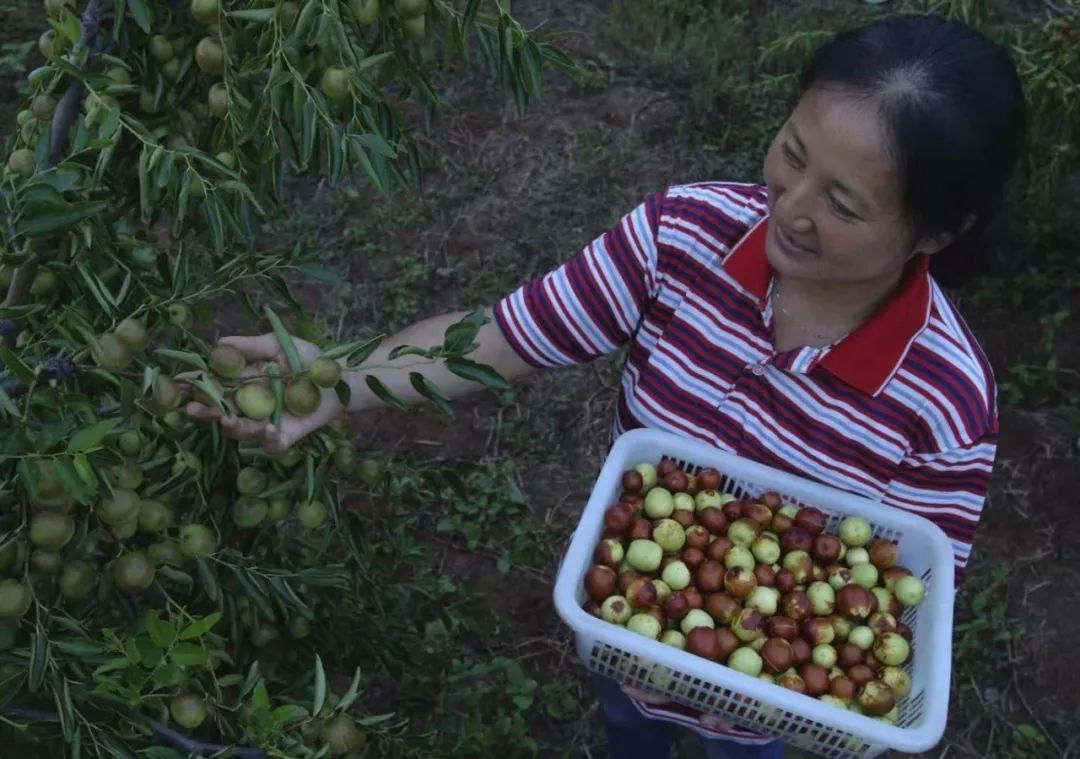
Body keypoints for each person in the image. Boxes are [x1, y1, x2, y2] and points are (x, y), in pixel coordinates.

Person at [186, 12, 1026, 759]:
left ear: (938, 231)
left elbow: (907, 595)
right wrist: (342, 380)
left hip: (773, 699)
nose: (789, 207)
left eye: (843, 204)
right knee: (629, 727)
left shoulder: (943, 398)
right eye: (792, 154)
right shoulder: (682, 236)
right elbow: (501, 339)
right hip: (625, 624)